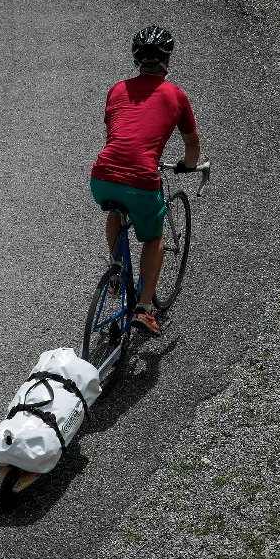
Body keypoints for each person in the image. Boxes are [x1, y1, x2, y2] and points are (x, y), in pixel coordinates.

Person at [89, 25, 201, 336]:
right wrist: (187, 166)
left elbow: (117, 133)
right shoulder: (176, 95)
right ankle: (144, 309)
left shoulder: (117, 89)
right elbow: (192, 145)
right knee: (153, 238)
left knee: (116, 211)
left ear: (136, 59)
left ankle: (117, 271)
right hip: (140, 178)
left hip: (102, 175)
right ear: (168, 59)